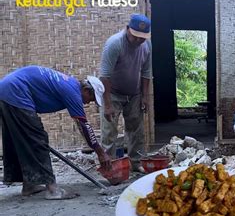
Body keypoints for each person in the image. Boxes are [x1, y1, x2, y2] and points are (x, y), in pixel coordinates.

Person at [0, 65, 111, 200]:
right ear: (86, 90)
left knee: (19, 139)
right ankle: (53, 190)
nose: (88, 103)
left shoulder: (70, 84)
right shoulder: (73, 92)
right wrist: (101, 153)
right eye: (91, 99)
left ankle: (29, 185)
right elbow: (84, 126)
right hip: (15, 91)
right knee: (38, 139)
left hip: (7, 90)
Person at [99, 13, 152, 173]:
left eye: (142, 37)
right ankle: (110, 167)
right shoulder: (114, 44)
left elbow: (146, 72)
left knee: (136, 131)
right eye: (135, 36)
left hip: (134, 94)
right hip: (112, 93)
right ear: (127, 29)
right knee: (109, 132)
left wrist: (144, 97)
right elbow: (105, 75)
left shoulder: (147, 46)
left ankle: (136, 164)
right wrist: (107, 104)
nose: (138, 40)